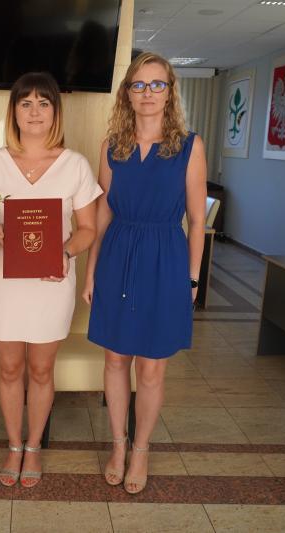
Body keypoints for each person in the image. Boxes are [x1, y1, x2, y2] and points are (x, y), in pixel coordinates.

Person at [0, 72, 102, 488]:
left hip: (51, 284)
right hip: (3, 284)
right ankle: (14, 445)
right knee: (9, 368)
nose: (34, 112)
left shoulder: (75, 164)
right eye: (25, 103)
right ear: (13, 112)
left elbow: (88, 229)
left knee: (42, 370)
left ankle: (34, 446)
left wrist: (63, 252)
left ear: (55, 112)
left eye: (44, 103)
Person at [83, 52, 207, 495]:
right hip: (118, 254)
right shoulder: (111, 146)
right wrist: (92, 270)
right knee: (115, 359)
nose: (148, 93)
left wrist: (192, 279)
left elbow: (197, 220)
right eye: (139, 85)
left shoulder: (189, 146)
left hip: (165, 258)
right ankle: (118, 445)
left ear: (170, 92)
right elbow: (102, 213)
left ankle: (141, 449)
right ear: (127, 94)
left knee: (152, 367)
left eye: (157, 85)